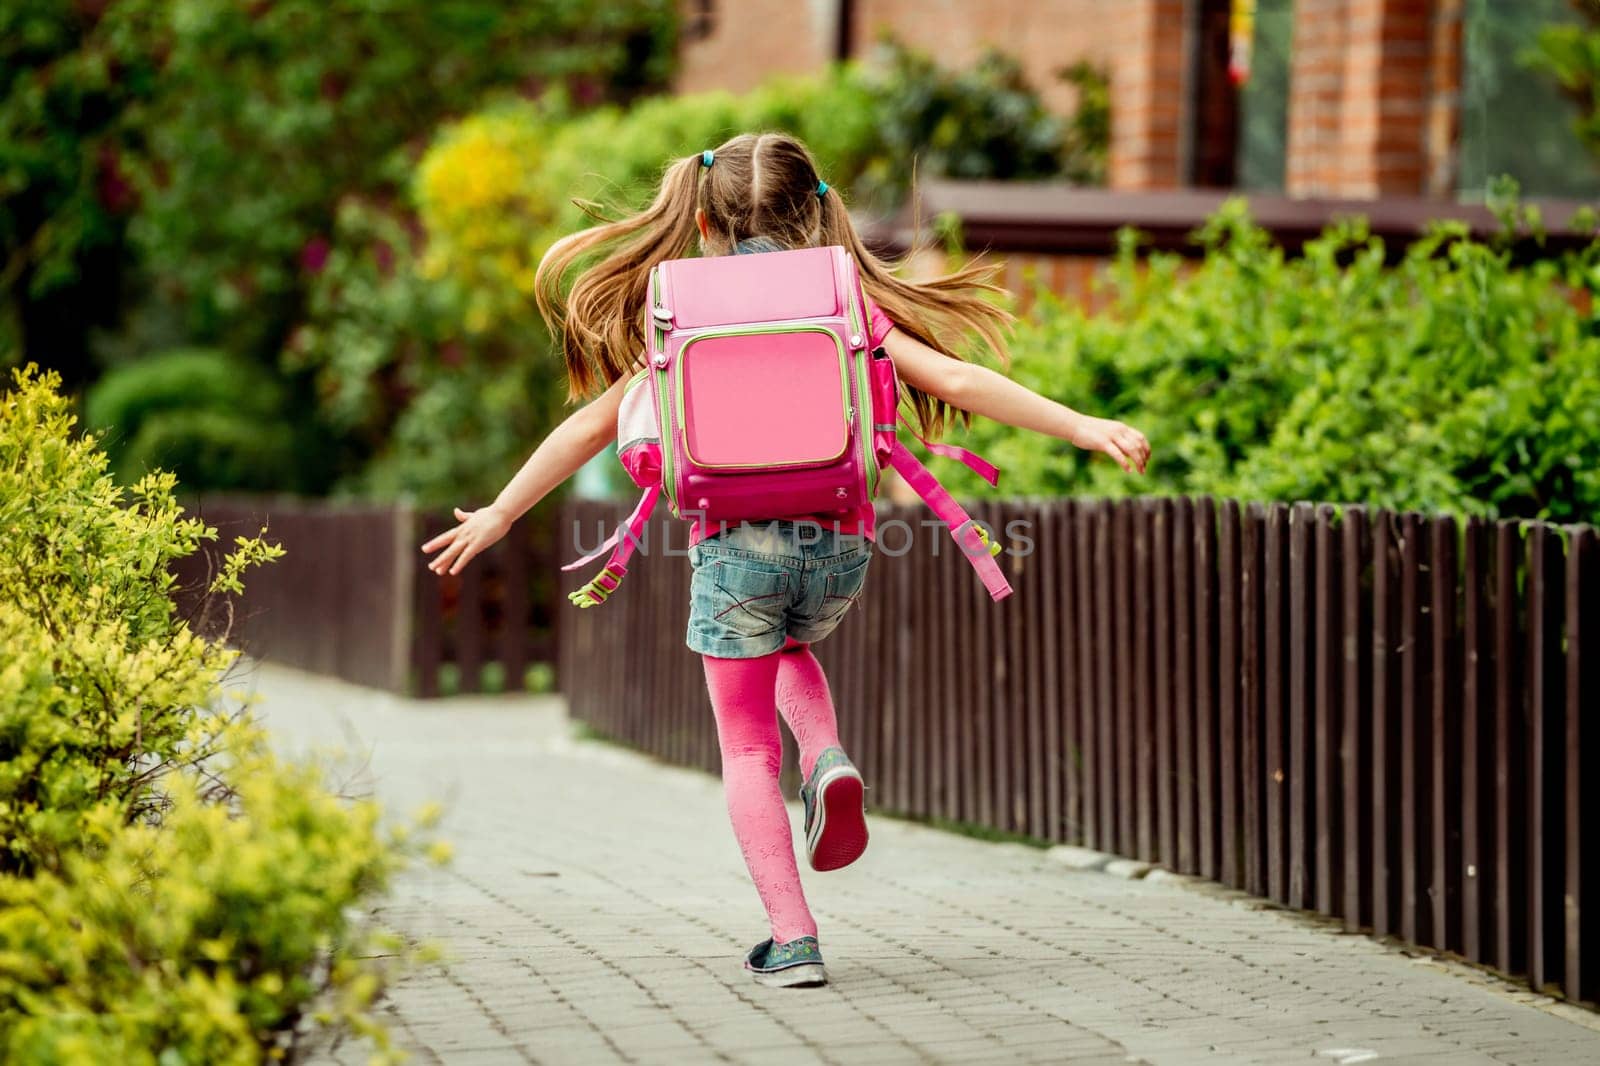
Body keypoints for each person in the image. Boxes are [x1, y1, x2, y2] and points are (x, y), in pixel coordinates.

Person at [420, 132, 1151, 989]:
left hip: (732, 550)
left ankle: (794, 936)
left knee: (745, 750)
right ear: (814, 215)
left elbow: (588, 426)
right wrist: (1081, 424)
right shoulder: (845, 303)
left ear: (699, 219)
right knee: (793, 645)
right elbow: (955, 383)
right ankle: (831, 755)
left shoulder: (676, 308)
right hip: (841, 544)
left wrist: (506, 510)